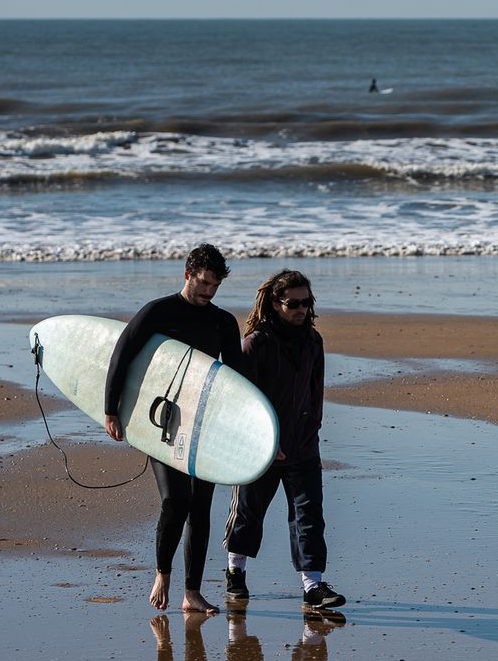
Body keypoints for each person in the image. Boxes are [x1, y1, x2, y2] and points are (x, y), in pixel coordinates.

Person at [105, 244, 244, 614]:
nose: (208, 292)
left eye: (215, 286)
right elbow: (123, 353)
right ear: (187, 274)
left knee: (201, 508)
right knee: (176, 500)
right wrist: (111, 410)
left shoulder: (223, 322)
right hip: (162, 421)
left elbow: (237, 381)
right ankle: (162, 573)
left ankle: (192, 593)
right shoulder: (157, 312)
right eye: (203, 283)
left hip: (203, 425)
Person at [222, 269, 345, 613]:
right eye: (293, 303)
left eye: (307, 303)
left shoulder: (313, 340)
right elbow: (238, 399)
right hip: (260, 448)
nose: (301, 309)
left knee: (309, 516)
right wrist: (262, 442)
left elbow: (314, 391)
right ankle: (235, 571)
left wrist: (312, 429)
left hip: (303, 445)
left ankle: (313, 586)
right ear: (275, 303)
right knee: (248, 513)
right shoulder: (256, 343)